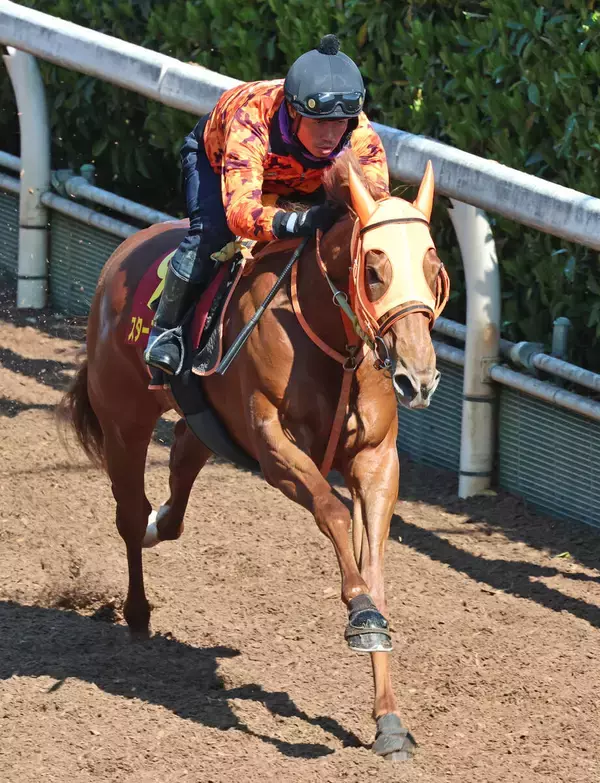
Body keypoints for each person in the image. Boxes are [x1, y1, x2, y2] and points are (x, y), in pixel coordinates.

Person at [144, 34, 390, 375]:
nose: (331, 136)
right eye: (319, 122)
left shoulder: (360, 135)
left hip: (302, 177)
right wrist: (298, 223)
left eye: (339, 123)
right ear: (292, 110)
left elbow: (377, 205)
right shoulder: (252, 119)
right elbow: (240, 213)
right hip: (219, 165)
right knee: (212, 235)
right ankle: (165, 333)